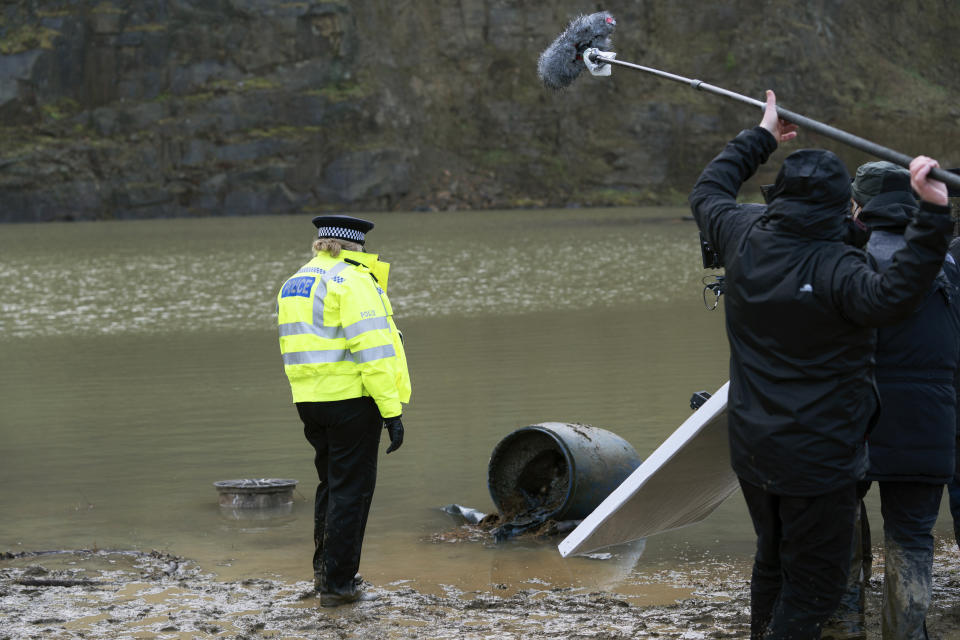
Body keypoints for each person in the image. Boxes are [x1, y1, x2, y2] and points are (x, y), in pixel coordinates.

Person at [689, 90, 953, 639]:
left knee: (773, 560)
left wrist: (761, 135)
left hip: (754, 449)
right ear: (843, 206)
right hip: (820, 459)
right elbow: (899, 294)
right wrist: (932, 214)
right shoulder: (840, 270)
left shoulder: (741, 236)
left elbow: (709, 189)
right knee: (814, 589)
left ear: (778, 195)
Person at [822, 162, 960, 640]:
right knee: (913, 538)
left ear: (857, 205)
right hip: (929, 421)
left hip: (852, 420)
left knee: (836, 527)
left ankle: (843, 625)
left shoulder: (843, 260)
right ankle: (906, 634)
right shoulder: (945, 260)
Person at [276, 214, 411, 607]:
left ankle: (325, 572)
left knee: (330, 485)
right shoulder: (354, 281)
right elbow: (374, 353)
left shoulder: (295, 281)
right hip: (352, 400)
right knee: (352, 491)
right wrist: (392, 411)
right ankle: (339, 585)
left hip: (309, 401)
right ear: (356, 247)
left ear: (320, 244)